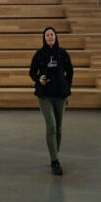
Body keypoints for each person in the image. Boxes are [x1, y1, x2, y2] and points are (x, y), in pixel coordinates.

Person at [29, 26, 73, 176]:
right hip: (45, 95)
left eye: (52, 35)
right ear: (44, 38)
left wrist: (67, 86)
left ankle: (55, 151)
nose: (50, 37)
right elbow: (31, 72)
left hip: (60, 95)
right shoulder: (39, 55)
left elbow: (70, 71)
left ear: (56, 37)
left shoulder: (62, 54)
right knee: (51, 125)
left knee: (59, 128)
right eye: (47, 35)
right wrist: (38, 79)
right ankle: (54, 160)